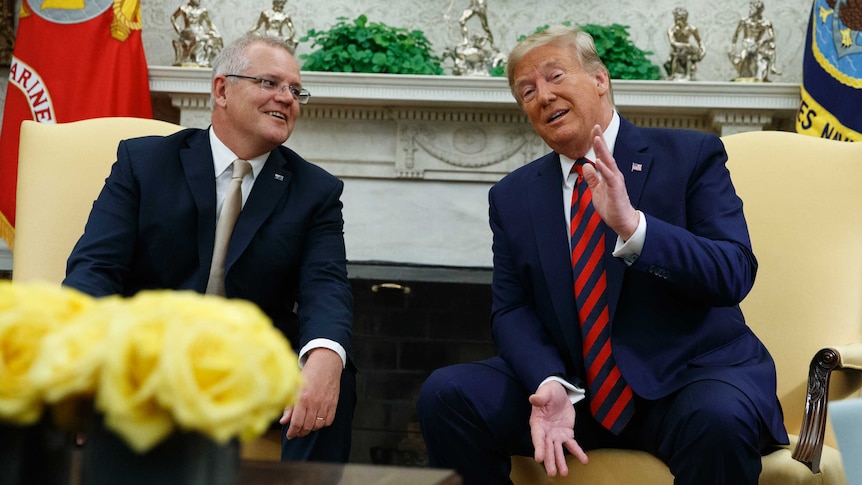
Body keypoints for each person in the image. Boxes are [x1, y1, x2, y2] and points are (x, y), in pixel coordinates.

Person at [417, 25, 788, 485]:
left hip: (685, 381)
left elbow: (733, 271)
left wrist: (635, 228)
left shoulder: (689, 155)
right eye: (527, 91)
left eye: (555, 76)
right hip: (575, 390)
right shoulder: (512, 197)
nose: (543, 96)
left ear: (599, 79)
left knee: (717, 421)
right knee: (448, 395)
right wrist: (548, 381)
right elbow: (511, 310)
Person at [64, 34, 356, 463]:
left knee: (335, 374)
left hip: (250, 364)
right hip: (149, 354)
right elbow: (95, 268)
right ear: (221, 89)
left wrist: (327, 353)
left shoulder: (315, 191)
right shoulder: (144, 163)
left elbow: (325, 285)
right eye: (270, 83)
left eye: (295, 90)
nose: (287, 98)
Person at [728, 0, 779, 81]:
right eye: (750, 8)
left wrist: (762, 42)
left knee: (771, 46)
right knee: (743, 57)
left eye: (752, 8)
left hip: (758, 45)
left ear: (758, 10)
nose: (750, 10)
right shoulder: (745, 21)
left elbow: (772, 37)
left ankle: (772, 67)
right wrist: (733, 48)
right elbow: (736, 36)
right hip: (746, 44)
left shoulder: (766, 23)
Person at [171, 0, 224, 67]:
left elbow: (209, 24)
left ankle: (208, 61)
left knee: (216, 39)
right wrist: (178, 29)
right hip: (188, 32)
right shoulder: (183, 8)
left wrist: (216, 33)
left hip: (200, 31)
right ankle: (191, 58)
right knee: (197, 38)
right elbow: (173, 18)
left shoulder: (202, 11)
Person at [664, 7, 705, 80]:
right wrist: (685, 45)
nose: (678, 22)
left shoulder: (691, 28)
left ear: (685, 19)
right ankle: (673, 75)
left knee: (688, 56)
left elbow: (699, 41)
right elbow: (673, 43)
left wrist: (703, 49)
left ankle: (688, 75)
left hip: (688, 50)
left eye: (681, 19)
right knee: (675, 56)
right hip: (676, 49)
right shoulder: (671, 29)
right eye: (676, 19)